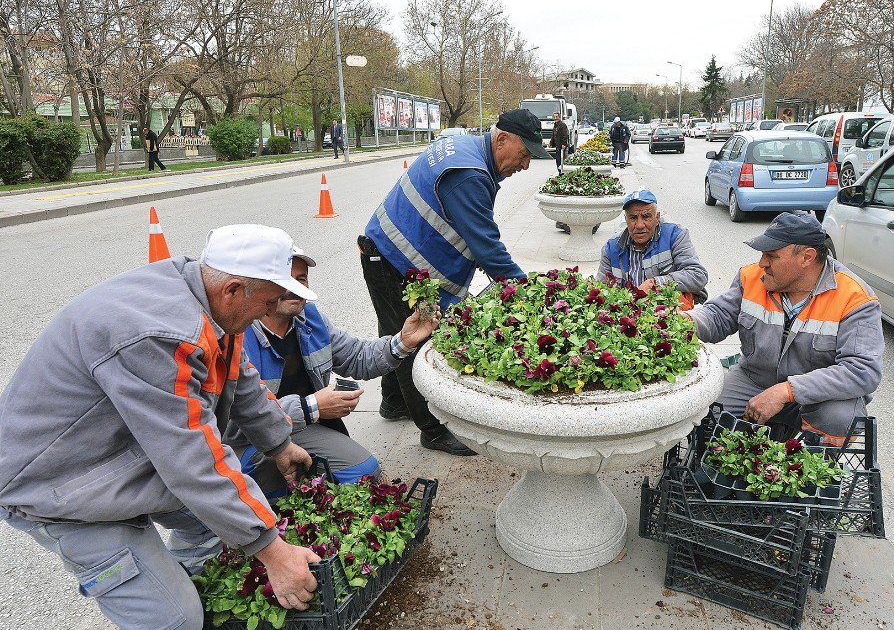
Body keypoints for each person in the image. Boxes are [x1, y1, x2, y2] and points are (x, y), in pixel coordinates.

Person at [0, 225, 324, 628]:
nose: (273, 310)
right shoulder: (162, 335)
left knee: (216, 530)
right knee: (176, 619)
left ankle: (177, 577)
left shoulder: (210, 300)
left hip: (129, 454)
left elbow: (238, 376)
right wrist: (274, 554)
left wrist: (279, 444)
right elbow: (191, 459)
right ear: (234, 290)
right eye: (271, 300)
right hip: (61, 485)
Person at [359, 108, 551, 455]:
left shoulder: (465, 149)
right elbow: (487, 247)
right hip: (394, 260)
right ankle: (432, 430)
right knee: (413, 341)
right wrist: (529, 291)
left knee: (392, 329)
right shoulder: (469, 174)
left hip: (386, 253)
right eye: (524, 155)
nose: (524, 166)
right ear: (502, 139)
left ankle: (393, 403)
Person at [238, 248, 440, 487]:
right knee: (274, 486)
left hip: (298, 427)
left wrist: (404, 341)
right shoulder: (240, 335)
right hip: (249, 440)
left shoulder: (310, 319)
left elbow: (357, 356)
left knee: (364, 472)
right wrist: (311, 407)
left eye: (301, 278)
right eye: (285, 278)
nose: (294, 286)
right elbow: (237, 423)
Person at [686, 211, 884, 445]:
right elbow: (719, 315)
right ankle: (722, 468)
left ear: (807, 258)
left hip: (818, 395)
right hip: (755, 380)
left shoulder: (854, 298)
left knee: (839, 419)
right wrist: (682, 321)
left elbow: (862, 371)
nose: (762, 263)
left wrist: (786, 391)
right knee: (704, 407)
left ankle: (810, 475)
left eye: (772, 255)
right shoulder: (751, 277)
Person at [598, 189, 708, 310]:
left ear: (657, 217)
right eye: (633, 218)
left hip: (668, 314)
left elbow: (698, 275)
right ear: (626, 219)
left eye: (646, 217)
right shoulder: (611, 248)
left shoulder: (675, 235)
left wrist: (656, 283)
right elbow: (601, 291)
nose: (639, 225)